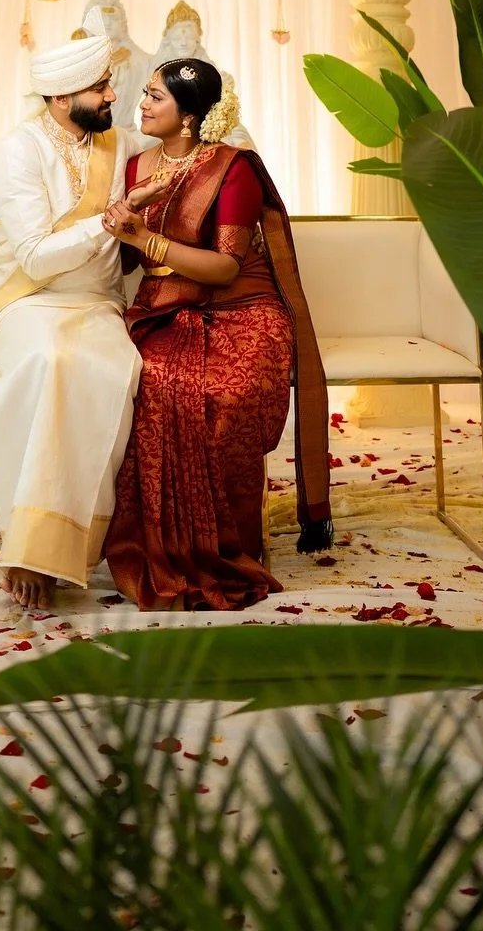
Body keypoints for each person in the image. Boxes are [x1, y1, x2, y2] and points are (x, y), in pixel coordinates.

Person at [101, 59, 332, 611]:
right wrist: (130, 215)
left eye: (155, 97)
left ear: (188, 116)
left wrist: (146, 240)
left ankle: (228, 546)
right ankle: (159, 545)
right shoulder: (135, 168)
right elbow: (132, 257)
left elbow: (227, 266)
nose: (143, 104)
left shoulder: (233, 169)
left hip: (244, 308)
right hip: (163, 307)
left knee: (226, 394)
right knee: (149, 383)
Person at [0, 11, 154, 611]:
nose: (114, 95)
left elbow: (171, 156)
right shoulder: (18, 151)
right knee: (52, 363)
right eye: (101, 89)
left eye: (111, 84)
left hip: (97, 304)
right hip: (30, 302)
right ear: (62, 99)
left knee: (110, 370)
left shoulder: (118, 140)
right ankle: (31, 545)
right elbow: (35, 259)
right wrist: (108, 222)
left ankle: (73, 541)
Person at [153, 0, 254, 148]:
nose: (183, 43)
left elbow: (219, 109)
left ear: (197, 38)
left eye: (188, 38)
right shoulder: (159, 72)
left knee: (241, 141)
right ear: (168, 41)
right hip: (170, 126)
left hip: (208, 123)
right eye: (177, 38)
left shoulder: (209, 69)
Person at [83, 0, 151, 130]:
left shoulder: (141, 60)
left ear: (123, 23)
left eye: (112, 18)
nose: (106, 23)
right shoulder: (80, 57)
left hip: (126, 132)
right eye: (101, 17)